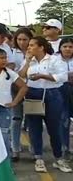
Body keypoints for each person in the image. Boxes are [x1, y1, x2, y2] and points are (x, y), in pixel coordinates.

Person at [18, 36, 72, 173]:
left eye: (32, 45)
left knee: (55, 127)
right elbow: (20, 76)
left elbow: (62, 77)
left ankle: (59, 158)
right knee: (35, 127)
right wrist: (27, 62)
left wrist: (42, 76)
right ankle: (38, 158)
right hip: (33, 94)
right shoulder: (28, 60)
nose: (29, 48)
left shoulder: (54, 60)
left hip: (52, 94)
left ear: (41, 47)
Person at [0, 49, 28, 158]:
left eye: (5, 57)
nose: (4, 60)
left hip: (3, 108)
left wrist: (14, 102)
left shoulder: (9, 73)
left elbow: (23, 87)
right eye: (1, 58)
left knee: (4, 137)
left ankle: (7, 165)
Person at [10, 27, 34, 162]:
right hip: (16, 88)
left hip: (32, 88)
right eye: (19, 39)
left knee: (32, 118)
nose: (22, 42)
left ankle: (34, 147)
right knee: (16, 119)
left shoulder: (36, 51)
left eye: (25, 39)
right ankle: (15, 148)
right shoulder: (12, 52)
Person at [56, 37, 73, 160]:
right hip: (61, 91)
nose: (67, 49)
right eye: (65, 46)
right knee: (64, 119)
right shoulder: (54, 60)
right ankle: (64, 148)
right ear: (60, 47)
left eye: (71, 47)